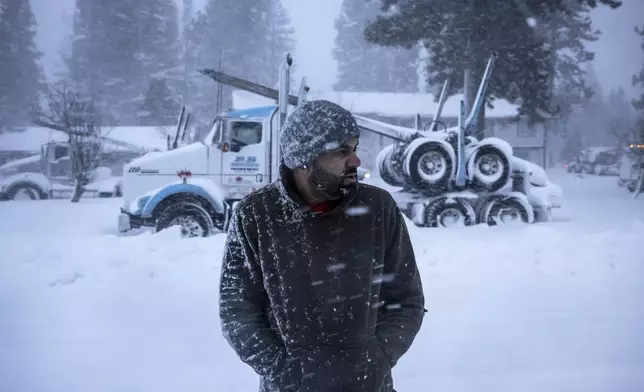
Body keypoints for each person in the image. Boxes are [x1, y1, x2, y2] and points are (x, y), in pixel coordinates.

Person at [218, 99, 426, 392]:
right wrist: (280, 369)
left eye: (354, 148)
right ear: (305, 157)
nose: (355, 160)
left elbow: (406, 300)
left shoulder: (378, 208)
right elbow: (236, 311)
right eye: (341, 151)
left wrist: (377, 358)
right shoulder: (255, 215)